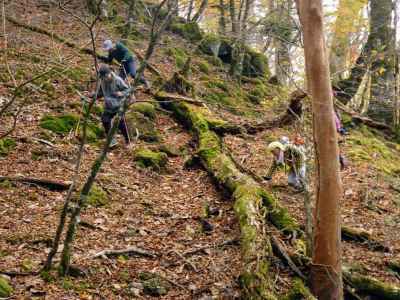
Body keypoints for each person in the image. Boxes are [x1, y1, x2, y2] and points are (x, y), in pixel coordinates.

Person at [91, 64, 132, 148]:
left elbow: (128, 89)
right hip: (108, 106)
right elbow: (100, 93)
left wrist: (122, 93)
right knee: (105, 120)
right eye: (102, 77)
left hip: (118, 105)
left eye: (105, 76)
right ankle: (111, 140)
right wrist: (92, 95)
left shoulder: (118, 80)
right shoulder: (102, 81)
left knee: (121, 123)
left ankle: (128, 141)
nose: (104, 78)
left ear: (109, 73)